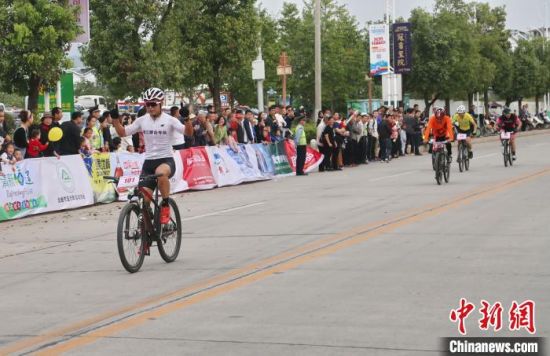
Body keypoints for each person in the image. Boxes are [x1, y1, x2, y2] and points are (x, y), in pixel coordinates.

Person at [111, 87, 186, 225]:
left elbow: (189, 132)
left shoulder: (170, 120)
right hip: (148, 162)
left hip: (166, 160)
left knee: (160, 173)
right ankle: (146, 237)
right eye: (147, 105)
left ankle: (165, 205)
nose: (150, 108)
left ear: (161, 103)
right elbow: (123, 132)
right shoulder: (142, 120)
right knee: (143, 202)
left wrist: (187, 119)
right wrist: (115, 119)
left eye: (153, 104)